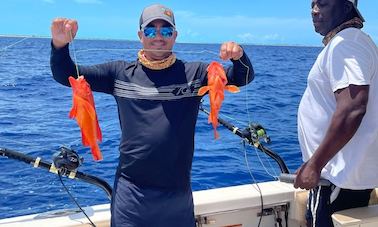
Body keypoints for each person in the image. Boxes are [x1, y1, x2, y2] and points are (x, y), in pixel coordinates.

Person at [50, 3, 254, 227]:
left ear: (175, 35)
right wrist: (60, 46)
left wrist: (238, 56)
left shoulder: (195, 73)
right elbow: (66, 75)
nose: (159, 36)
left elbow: (241, 78)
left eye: (166, 30)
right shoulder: (119, 74)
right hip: (131, 194)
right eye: (150, 30)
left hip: (178, 194)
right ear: (140, 35)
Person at [294, 0, 378, 226]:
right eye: (312, 3)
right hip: (339, 177)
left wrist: (315, 164)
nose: (314, 10)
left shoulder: (346, 43)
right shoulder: (352, 42)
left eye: (323, 3)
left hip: (337, 179)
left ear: (346, 7)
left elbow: (353, 108)